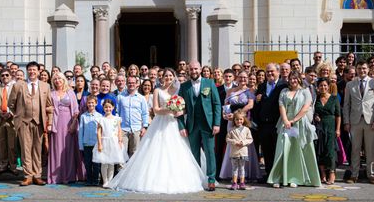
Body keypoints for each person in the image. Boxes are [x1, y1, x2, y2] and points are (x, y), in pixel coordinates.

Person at [106, 68, 206, 193]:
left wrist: (180, 111)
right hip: (160, 122)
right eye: (166, 76)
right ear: (162, 77)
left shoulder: (178, 90)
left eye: (171, 76)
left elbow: (184, 108)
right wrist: (169, 110)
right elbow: (156, 109)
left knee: (175, 152)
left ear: (174, 77)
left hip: (173, 124)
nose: (168, 78)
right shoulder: (158, 90)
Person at [267, 72, 320, 188]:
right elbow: (281, 106)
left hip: (300, 123)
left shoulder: (305, 92)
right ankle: (278, 177)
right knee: (282, 149)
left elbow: (306, 108)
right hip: (285, 124)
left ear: (299, 80)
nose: (293, 81)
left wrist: (294, 120)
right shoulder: (284, 91)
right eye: (291, 79)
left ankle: (294, 178)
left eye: (295, 78)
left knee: (297, 151)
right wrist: (286, 120)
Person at [178, 61, 221, 191]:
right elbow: (178, 107)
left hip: (207, 124)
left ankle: (211, 179)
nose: (194, 71)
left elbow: (217, 104)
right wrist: (181, 126)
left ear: (200, 69)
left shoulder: (209, 83)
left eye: (196, 69)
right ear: (188, 71)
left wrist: (217, 123)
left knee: (209, 152)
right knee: (194, 153)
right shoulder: (184, 86)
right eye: (191, 69)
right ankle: (195, 179)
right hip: (192, 125)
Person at [8, 61, 52, 186]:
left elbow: (49, 106)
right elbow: (11, 104)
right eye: (30, 70)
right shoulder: (18, 85)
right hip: (23, 122)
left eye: (34, 70)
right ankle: (28, 176)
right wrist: (16, 116)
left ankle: (37, 175)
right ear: (27, 71)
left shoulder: (45, 86)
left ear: (38, 71)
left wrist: (50, 122)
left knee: (37, 150)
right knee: (26, 150)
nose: (32, 72)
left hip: (39, 122)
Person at [342, 61, 374, 184]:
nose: (362, 71)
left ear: (368, 69)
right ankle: (354, 175)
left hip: (370, 121)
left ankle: (371, 175)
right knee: (355, 149)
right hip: (355, 121)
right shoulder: (350, 84)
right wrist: (346, 122)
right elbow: (346, 105)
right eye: (359, 68)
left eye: (364, 68)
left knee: (370, 149)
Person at [219, 71, 260, 181]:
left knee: (244, 145)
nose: (243, 79)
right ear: (237, 78)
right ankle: (231, 173)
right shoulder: (230, 91)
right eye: (241, 77)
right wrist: (225, 115)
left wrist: (238, 115)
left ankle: (244, 174)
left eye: (245, 77)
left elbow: (250, 104)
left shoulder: (250, 91)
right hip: (231, 121)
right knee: (232, 144)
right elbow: (226, 105)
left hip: (243, 120)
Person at [46, 73, 85, 184]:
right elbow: (46, 106)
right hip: (56, 123)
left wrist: (73, 124)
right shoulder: (51, 93)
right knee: (57, 149)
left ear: (64, 80)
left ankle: (70, 175)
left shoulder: (70, 92)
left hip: (69, 122)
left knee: (69, 149)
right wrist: (49, 110)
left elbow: (76, 110)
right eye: (55, 79)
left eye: (60, 78)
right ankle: (57, 177)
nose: (58, 80)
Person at [254, 63, 288, 178]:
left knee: (277, 150)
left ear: (278, 72)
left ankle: (278, 175)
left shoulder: (283, 86)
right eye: (267, 71)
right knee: (266, 150)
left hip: (277, 124)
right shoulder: (262, 86)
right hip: (264, 125)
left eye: (272, 71)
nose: (269, 73)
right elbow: (257, 105)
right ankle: (269, 174)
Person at [0, 70, 18, 175]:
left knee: (12, 145)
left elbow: (18, 102)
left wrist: (10, 113)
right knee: (2, 144)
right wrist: (1, 113)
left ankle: (13, 166)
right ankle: (3, 165)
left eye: (7, 75)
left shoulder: (15, 87)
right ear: (0, 77)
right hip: (0, 119)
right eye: (2, 75)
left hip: (12, 120)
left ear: (10, 76)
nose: (5, 77)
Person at [314, 78, 341, 185]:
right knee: (320, 150)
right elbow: (314, 111)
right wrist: (316, 116)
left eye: (325, 85)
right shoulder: (316, 98)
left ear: (328, 86)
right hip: (319, 127)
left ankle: (332, 173)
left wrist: (338, 129)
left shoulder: (334, 98)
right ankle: (322, 175)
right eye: (321, 85)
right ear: (318, 87)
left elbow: (338, 115)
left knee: (330, 150)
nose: (323, 87)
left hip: (331, 126)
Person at [116, 76, 149, 162]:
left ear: (137, 84)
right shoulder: (120, 97)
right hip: (123, 129)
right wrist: (117, 127)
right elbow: (117, 112)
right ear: (126, 83)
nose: (131, 84)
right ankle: (121, 174)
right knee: (122, 153)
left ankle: (132, 175)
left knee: (134, 154)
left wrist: (144, 127)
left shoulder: (141, 98)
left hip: (136, 129)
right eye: (129, 83)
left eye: (133, 83)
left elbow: (145, 113)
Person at [93, 99, 126, 186]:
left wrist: (120, 140)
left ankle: (110, 181)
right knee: (104, 163)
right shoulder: (101, 119)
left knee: (111, 163)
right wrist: (100, 144)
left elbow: (119, 130)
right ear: (103, 108)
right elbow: (99, 132)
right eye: (106, 107)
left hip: (114, 142)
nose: (108, 109)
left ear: (113, 107)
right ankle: (105, 181)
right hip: (104, 142)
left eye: (109, 107)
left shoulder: (117, 118)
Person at [226, 110, 254, 190]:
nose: (239, 121)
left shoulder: (247, 129)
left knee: (242, 168)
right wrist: (234, 142)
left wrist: (243, 142)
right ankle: (234, 183)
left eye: (241, 119)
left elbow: (250, 139)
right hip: (234, 153)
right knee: (234, 168)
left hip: (243, 152)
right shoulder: (231, 130)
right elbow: (227, 139)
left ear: (244, 119)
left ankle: (242, 183)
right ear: (234, 120)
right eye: (237, 119)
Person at [78, 95, 102, 186]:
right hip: (86, 143)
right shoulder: (83, 116)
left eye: (92, 102)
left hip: (96, 143)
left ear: (96, 103)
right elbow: (81, 131)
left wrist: (101, 144)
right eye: (89, 103)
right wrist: (81, 144)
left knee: (96, 163)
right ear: (86, 104)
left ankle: (96, 180)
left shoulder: (99, 116)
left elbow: (101, 131)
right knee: (88, 163)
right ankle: (89, 179)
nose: (91, 104)